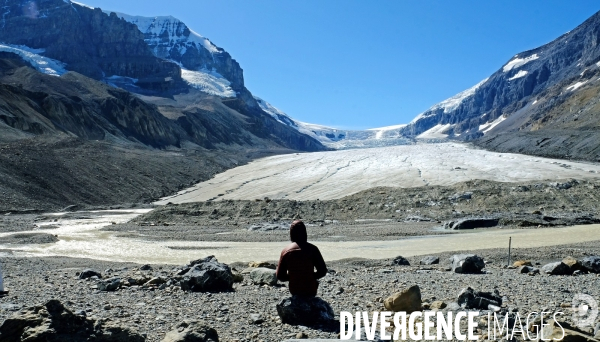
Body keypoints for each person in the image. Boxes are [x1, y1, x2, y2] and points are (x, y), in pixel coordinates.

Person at [276, 220, 327, 296]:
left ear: (291, 233)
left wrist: (294, 277)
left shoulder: (286, 251)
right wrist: (310, 276)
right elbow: (322, 271)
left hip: (294, 289)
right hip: (311, 289)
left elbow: (280, 276)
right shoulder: (313, 249)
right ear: (305, 233)